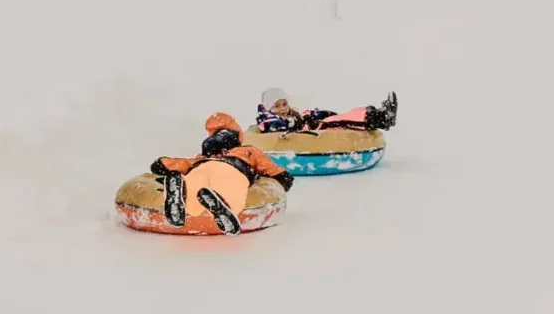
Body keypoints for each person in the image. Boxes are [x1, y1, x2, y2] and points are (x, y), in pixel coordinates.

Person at [149, 112, 294, 236]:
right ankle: (224, 207)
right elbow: (268, 167)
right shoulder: (248, 151)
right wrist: (282, 177)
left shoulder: (203, 156)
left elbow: (184, 163)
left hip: (201, 166)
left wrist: (163, 163)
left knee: (194, 186)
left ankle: (180, 193)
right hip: (233, 168)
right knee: (232, 188)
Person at [256, 87, 398, 136]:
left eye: (284, 104)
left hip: (309, 127)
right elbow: (276, 125)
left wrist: (311, 115)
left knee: (340, 117)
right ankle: (381, 118)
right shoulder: (266, 120)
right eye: (277, 106)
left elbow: (297, 120)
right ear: (268, 108)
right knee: (340, 121)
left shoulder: (291, 114)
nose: (282, 108)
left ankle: (376, 113)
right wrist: (296, 123)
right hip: (308, 132)